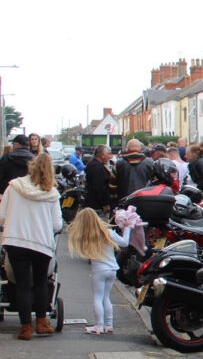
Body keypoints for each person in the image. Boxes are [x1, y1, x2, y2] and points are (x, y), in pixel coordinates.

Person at [0, 152, 62, 340]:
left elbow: (2, 215)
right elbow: (57, 225)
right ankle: (41, 322)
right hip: (41, 242)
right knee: (41, 282)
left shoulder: (13, 187)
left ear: (31, 167)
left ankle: (25, 328)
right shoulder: (52, 193)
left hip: (16, 240)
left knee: (22, 285)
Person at [68, 207, 130, 335]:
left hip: (99, 269)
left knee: (98, 297)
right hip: (113, 268)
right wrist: (127, 227)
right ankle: (109, 324)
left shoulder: (87, 236)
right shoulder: (107, 232)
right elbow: (124, 243)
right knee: (106, 297)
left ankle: (99, 325)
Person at [84, 145, 114, 212]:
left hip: (94, 203)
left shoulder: (95, 165)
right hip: (97, 206)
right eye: (109, 154)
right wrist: (105, 204)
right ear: (102, 155)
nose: (110, 157)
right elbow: (99, 187)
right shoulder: (97, 168)